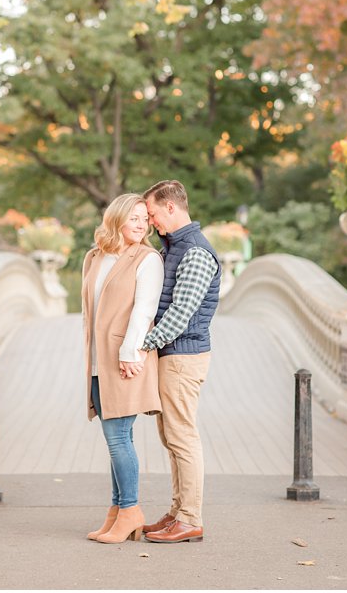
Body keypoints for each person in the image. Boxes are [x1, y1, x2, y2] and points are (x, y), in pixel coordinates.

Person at [138, 179, 220, 544]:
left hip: (184, 357)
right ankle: (177, 512)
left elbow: (180, 314)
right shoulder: (174, 247)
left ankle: (190, 517)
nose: (152, 221)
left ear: (171, 207)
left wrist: (142, 346)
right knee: (171, 437)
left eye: (153, 213)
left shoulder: (196, 252)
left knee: (182, 437)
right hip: (173, 356)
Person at [80, 193, 163, 544]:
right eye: (134, 217)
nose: (141, 224)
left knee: (117, 438)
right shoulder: (94, 257)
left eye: (145, 218)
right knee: (117, 437)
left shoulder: (147, 259)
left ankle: (130, 510)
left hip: (126, 359)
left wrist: (132, 353)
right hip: (98, 360)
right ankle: (116, 512)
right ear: (116, 218)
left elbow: (144, 311)